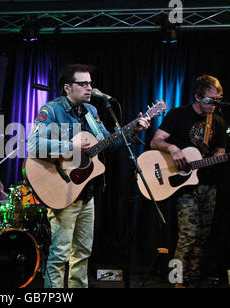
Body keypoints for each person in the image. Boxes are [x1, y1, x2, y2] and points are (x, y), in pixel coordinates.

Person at [27, 64, 151, 288]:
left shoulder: (91, 112)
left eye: (90, 83)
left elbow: (107, 145)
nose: (89, 88)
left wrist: (134, 130)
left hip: (87, 192)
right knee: (59, 256)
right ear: (67, 88)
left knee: (82, 253)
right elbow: (33, 145)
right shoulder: (52, 110)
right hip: (62, 190)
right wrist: (69, 144)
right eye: (83, 84)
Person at [150, 74, 230, 288]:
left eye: (218, 100)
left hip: (208, 184)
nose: (214, 105)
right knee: (188, 235)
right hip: (183, 185)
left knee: (203, 235)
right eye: (211, 100)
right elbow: (156, 141)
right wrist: (173, 149)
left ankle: (192, 280)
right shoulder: (178, 115)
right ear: (197, 97)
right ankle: (176, 281)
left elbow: (218, 153)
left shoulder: (219, 122)